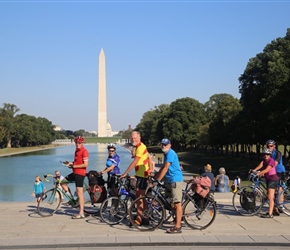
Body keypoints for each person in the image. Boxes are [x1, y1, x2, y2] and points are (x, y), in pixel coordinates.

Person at [121, 131, 150, 226]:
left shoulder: (141, 147)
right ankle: (145, 216)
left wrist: (126, 172)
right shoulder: (138, 147)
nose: (133, 139)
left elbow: (135, 161)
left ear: (139, 137)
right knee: (140, 197)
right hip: (140, 175)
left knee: (140, 198)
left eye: (135, 138)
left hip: (143, 175)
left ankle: (138, 219)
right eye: (132, 138)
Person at [155, 138, 183, 234]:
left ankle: (178, 226)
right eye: (162, 144)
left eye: (165, 144)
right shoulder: (166, 154)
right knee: (168, 200)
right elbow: (163, 167)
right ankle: (177, 219)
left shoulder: (170, 153)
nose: (164, 146)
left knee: (177, 203)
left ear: (170, 145)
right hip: (170, 180)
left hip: (175, 180)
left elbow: (166, 167)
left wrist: (158, 179)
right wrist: (155, 176)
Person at [63, 136, 89, 219]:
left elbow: (85, 164)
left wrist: (74, 166)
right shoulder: (76, 151)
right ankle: (72, 200)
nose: (77, 144)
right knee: (62, 182)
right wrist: (70, 164)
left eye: (79, 143)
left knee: (79, 192)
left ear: (82, 143)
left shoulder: (84, 151)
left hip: (80, 174)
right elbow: (76, 162)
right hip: (74, 172)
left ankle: (81, 212)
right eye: (76, 143)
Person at [252, 148, 279, 218]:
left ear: (270, 155)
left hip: (273, 179)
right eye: (264, 154)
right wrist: (254, 170)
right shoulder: (264, 160)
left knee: (270, 197)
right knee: (270, 196)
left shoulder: (271, 161)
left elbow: (267, 169)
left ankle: (270, 214)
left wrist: (259, 173)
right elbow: (261, 165)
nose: (266, 156)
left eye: (267, 154)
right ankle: (273, 210)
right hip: (268, 179)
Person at [266, 139, 286, 214]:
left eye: (271, 146)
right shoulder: (268, 153)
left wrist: (267, 169)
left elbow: (275, 163)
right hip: (272, 172)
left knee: (279, 188)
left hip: (279, 171)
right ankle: (275, 207)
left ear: (274, 146)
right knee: (272, 190)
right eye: (268, 146)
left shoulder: (278, 153)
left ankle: (281, 205)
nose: (269, 147)